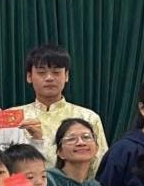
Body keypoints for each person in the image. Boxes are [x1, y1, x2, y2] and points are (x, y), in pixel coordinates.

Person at [17, 44, 109, 175]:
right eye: (41, 72)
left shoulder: (87, 117)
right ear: (29, 76)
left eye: (56, 72)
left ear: (66, 76)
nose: (49, 78)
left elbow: (100, 165)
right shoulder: (14, 117)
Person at [48, 118, 107, 186]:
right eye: (71, 139)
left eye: (86, 137)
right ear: (60, 152)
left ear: (96, 148)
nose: (81, 143)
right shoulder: (47, 181)